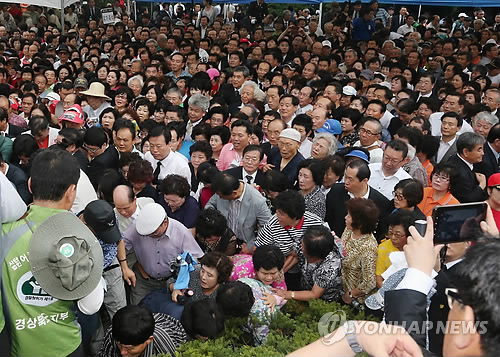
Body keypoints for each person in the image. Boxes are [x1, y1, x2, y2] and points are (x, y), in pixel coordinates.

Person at [1, 148, 105, 357]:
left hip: (17, 346)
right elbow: (90, 305)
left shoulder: (5, 233)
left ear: (30, 184)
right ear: (71, 192)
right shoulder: (81, 238)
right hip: (64, 345)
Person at [123, 202, 204, 304]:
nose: (150, 235)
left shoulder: (181, 231)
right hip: (144, 281)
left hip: (171, 282)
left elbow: (195, 259)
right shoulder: (137, 226)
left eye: (154, 232)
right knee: (137, 311)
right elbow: (121, 243)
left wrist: (181, 282)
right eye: (147, 234)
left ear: (165, 222)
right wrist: (124, 266)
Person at [255, 190, 324, 290]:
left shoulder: (315, 222)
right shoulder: (272, 225)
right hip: (282, 271)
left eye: (281, 213)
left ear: (294, 216)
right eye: (277, 211)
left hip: (310, 272)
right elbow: (259, 250)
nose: (277, 215)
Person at [140, 251, 233, 321]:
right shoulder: (194, 271)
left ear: (220, 278)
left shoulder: (221, 294)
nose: (203, 277)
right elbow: (171, 281)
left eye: (210, 275)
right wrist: (175, 288)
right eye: (203, 271)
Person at [273, 225, 343, 302]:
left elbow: (314, 294)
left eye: (302, 246)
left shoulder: (330, 266)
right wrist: (278, 273)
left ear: (312, 254)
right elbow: (294, 256)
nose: (300, 245)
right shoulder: (307, 240)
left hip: (323, 301)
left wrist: (288, 294)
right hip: (304, 286)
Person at [326, 159, 391, 237]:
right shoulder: (336, 191)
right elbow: (328, 219)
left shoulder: (381, 202)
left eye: (350, 179)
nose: (346, 182)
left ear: (364, 181)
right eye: (345, 177)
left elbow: (381, 232)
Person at [99, 305, 188, 357]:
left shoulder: (164, 348)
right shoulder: (114, 333)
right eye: (119, 345)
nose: (122, 352)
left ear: (149, 340)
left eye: (129, 348)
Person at [340, 198, 379, 305]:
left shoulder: (368, 249)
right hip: (340, 287)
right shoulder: (349, 230)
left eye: (349, 216)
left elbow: (369, 282)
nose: (345, 218)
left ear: (360, 223)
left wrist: (351, 295)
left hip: (355, 302)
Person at [375, 210, 415, 288]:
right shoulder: (383, 248)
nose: (393, 238)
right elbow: (378, 279)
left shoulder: (417, 248)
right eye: (390, 233)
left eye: (398, 235)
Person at [449, 132, 488, 203]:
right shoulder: (461, 174)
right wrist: (482, 184)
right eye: (479, 150)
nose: (482, 153)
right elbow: (468, 200)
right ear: (465, 152)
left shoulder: (456, 157)